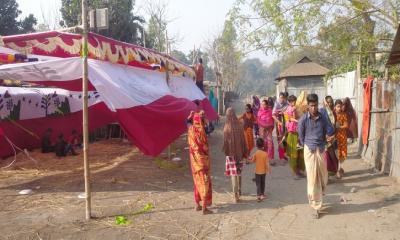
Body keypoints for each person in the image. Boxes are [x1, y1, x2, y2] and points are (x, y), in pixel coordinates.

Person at [298, 93, 334, 219]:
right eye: (311, 106)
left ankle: (320, 194)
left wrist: (329, 136)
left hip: (321, 149)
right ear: (308, 106)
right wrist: (308, 147)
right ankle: (315, 206)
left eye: (315, 105)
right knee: (312, 179)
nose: (314, 108)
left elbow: (330, 130)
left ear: (318, 104)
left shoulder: (323, 117)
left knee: (324, 177)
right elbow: (301, 138)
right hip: (309, 150)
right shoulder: (303, 120)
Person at [188, 112, 213, 214]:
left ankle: (197, 204)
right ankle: (204, 208)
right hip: (203, 161)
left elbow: (187, 122)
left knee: (197, 182)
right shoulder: (201, 130)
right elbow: (204, 147)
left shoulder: (190, 130)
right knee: (204, 182)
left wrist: (190, 116)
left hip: (194, 161)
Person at [224, 108, 248, 203]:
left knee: (233, 174)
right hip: (240, 154)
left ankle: (235, 195)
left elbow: (225, 143)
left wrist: (227, 152)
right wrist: (244, 151)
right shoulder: (240, 125)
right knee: (239, 173)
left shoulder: (226, 127)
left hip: (231, 155)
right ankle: (239, 190)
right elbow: (243, 140)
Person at [285, 95, 305, 179]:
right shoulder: (289, 109)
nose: (293, 103)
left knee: (300, 153)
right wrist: (298, 120)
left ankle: (299, 171)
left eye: (294, 101)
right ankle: (295, 173)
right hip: (292, 134)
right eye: (292, 101)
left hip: (298, 134)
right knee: (293, 154)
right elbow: (290, 119)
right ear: (289, 102)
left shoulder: (297, 108)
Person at [320, 96, 339, 177]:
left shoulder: (334, 112)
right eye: (328, 102)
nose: (330, 103)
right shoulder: (321, 112)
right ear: (324, 102)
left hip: (333, 137)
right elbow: (320, 125)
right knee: (326, 157)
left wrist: (334, 135)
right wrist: (325, 136)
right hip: (324, 138)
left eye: (331, 101)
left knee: (334, 156)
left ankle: (336, 171)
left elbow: (337, 125)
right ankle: (326, 175)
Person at [257, 98, 275, 165]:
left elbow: (272, 120)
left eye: (264, 104)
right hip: (262, 131)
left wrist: (269, 125)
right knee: (263, 144)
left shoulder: (270, 111)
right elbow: (258, 120)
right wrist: (264, 125)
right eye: (262, 104)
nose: (263, 106)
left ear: (267, 105)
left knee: (270, 144)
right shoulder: (260, 112)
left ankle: (270, 159)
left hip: (269, 131)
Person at [273, 92, 289, 164]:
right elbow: (273, 115)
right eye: (281, 98)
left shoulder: (287, 104)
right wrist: (279, 122)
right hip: (279, 124)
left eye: (283, 98)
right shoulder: (276, 104)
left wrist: (284, 113)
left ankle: (285, 155)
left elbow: (289, 112)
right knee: (280, 140)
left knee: (286, 139)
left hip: (286, 124)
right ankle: (281, 157)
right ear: (279, 97)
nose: (282, 99)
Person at [335, 99, 349, 179]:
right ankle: (337, 170)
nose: (339, 108)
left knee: (341, 154)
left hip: (342, 137)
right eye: (338, 107)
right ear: (335, 107)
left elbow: (346, 125)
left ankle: (339, 169)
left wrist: (339, 127)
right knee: (335, 153)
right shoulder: (332, 115)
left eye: (340, 106)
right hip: (334, 137)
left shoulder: (343, 115)